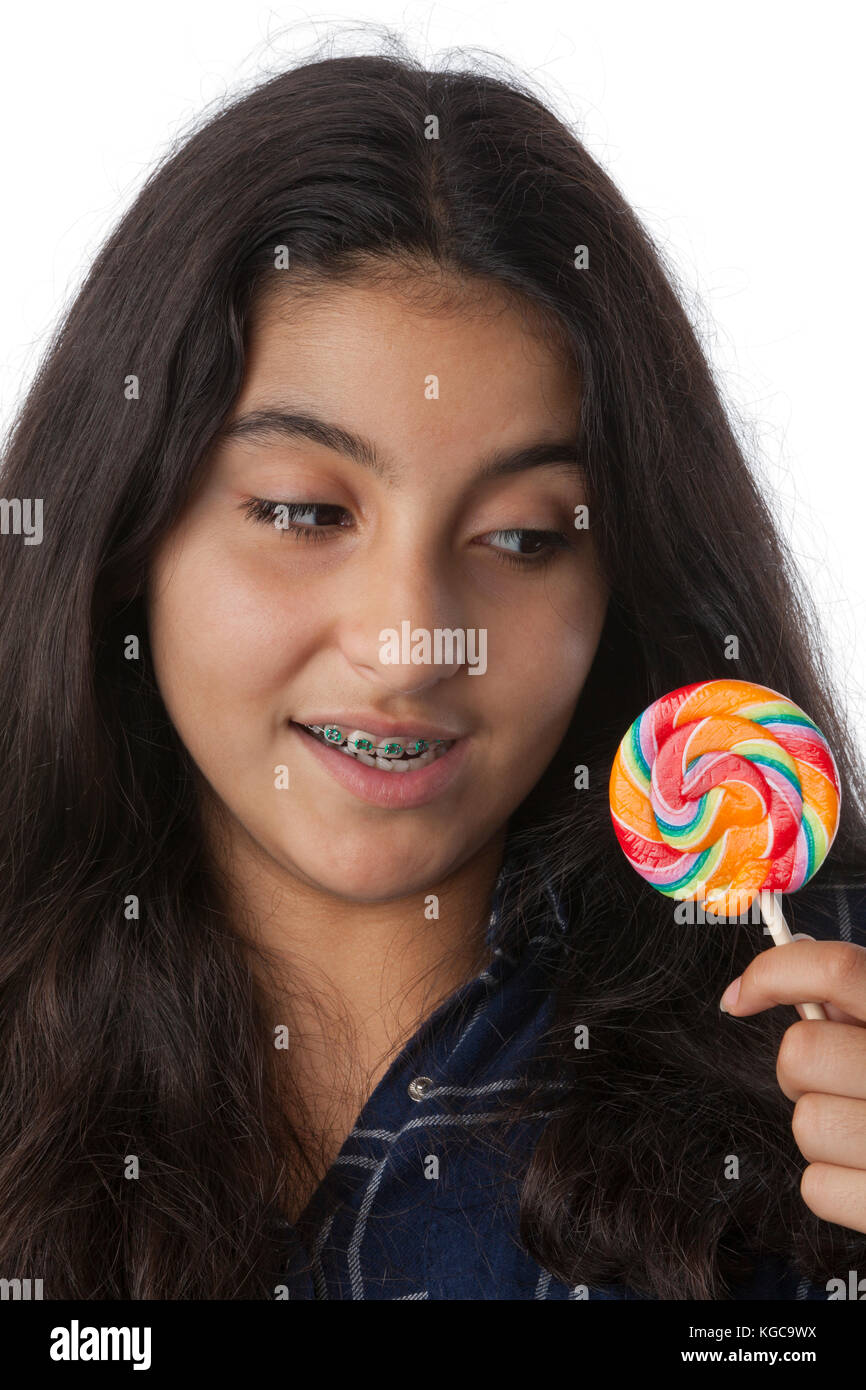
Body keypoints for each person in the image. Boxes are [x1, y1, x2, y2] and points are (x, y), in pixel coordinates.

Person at [1, 44, 865, 1301]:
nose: (409, 646)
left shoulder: (828, 1021)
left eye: (521, 538)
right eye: (303, 513)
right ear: (130, 531)